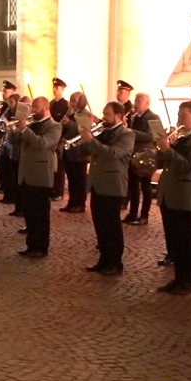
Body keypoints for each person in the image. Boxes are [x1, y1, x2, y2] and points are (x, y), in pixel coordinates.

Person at [155, 101, 191, 295]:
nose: (179, 120)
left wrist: (168, 150)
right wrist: (162, 148)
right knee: (175, 241)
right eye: (178, 116)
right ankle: (178, 278)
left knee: (186, 241)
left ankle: (187, 281)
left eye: (183, 116)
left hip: (187, 198)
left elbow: (189, 165)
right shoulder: (178, 138)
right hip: (170, 195)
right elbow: (162, 162)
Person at [79, 101, 135, 274]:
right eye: (103, 114)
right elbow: (87, 152)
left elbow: (112, 154)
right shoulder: (104, 131)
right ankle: (103, 260)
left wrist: (91, 140)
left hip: (113, 184)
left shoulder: (126, 135)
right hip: (98, 182)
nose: (103, 117)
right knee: (100, 224)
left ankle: (115, 263)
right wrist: (84, 140)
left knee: (112, 225)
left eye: (107, 114)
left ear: (118, 116)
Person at [11, 96, 62, 257]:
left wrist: (25, 129)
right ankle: (31, 245)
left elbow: (41, 144)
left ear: (46, 107)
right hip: (26, 174)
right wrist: (14, 129)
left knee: (41, 215)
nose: (33, 111)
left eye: (36, 107)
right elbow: (14, 141)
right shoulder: (32, 124)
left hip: (41, 176)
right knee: (30, 213)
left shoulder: (55, 127)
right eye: (32, 107)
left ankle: (41, 247)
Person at [124, 92, 159, 225]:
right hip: (134, 156)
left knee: (146, 187)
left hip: (146, 157)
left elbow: (153, 136)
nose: (135, 104)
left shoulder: (154, 117)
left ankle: (144, 215)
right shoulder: (134, 117)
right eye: (135, 101)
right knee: (133, 186)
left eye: (138, 101)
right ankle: (132, 213)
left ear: (147, 104)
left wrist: (132, 132)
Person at [60, 90, 91, 213]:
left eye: (74, 101)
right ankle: (71, 202)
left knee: (80, 179)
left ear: (80, 102)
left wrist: (69, 123)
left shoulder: (85, 114)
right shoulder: (71, 113)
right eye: (71, 100)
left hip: (79, 152)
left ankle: (80, 203)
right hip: (68, 150)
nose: (71, 103)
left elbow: (83, 130)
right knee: (71, 178)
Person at [49, 78, 69, 201]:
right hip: (51, 138)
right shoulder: (51, 104)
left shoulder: (65, 105)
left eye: (57, 88)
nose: (55, 90)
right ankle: (52, 189)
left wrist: (61, 141)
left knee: (60, 168)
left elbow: (64, 126)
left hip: (59, 138)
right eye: (54, 87)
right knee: (52, 167)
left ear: (62, 89)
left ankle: (59, 191)